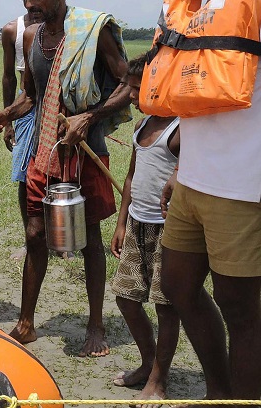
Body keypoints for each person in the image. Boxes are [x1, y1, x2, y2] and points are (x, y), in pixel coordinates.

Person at [154, 0, 261, 401]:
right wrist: (179, 164)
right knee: (176, 285)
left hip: (244, 188)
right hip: (193, 178)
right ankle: (220, 390)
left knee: (241, 309)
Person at [0, 0, 131, 356]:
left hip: (84, 152)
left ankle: (95, 326)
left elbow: (127, 83)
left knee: (89, 239)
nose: (29, 4)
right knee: (35, 235)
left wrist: (90, 116)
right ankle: (25, 323)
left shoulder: (94, 30)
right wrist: (7, 114)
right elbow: (32, 96)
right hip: (44, 150)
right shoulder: (30, 38)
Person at [109, 54, 180, 401]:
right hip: (137, 224)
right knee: (126, 298)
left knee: (166, 306)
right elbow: (131, 176)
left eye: (137, 88)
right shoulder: (142, 126)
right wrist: (121, 223)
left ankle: (159, 379)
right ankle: (148, 361)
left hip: (169, 232)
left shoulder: (180, 129)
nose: (131, 94)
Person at [0, 0, 42, 259]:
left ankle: (63, 239)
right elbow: (8, 77)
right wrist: (8, 120)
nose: (31, 3)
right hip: (24, 102)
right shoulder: (12, 30)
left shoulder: (63, 26)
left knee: (60, 173)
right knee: (25, 174)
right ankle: (31, 238)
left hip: (54, 98)